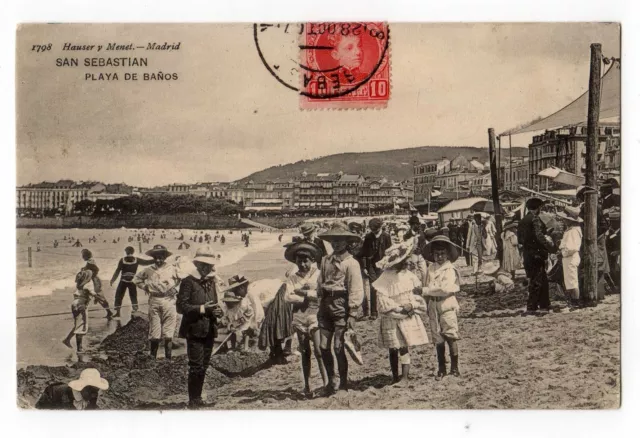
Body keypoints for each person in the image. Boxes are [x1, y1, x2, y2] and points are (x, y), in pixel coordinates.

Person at [316, 223, 364, 395]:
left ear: (346, 242)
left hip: (341, 304)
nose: (336, 244)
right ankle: (331, 382)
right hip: (326, 304)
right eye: (333, 240)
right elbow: (320, 282)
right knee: (323, 346)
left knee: (338, 346)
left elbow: (356, 288)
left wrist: (352, 312)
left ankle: (343, 383)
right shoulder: (325, 260)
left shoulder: (351, 263)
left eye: (340, 240)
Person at [373, 239, 429, 386]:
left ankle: (405, 376)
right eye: (402, 261)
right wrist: (398, 308)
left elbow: (417, 294)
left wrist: (411, 305)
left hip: (407, 314)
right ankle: (394, 375)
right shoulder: (385, 277)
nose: (406, 263)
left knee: (404, 346)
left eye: (405, 261)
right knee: (393, 347)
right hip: (392, 315)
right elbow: (382, 299)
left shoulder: (409, 276)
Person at [176, 246, 224, 407]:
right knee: (196, 365)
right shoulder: (188, 282)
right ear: (197, 264)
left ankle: (198, 398)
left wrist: (218, 312)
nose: (207, 268)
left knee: (204, 365)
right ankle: (193, 400)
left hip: (209, 328)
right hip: (194, 329)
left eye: (209, 265)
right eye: (204, 265)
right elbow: (181, 307)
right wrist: (203, 308)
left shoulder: (211, 282)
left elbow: (215, 304)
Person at [283, 240, 328, 395]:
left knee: (319, 350)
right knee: (305, 352)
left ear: (312, 260)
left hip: (315, 315)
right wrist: (305, 297)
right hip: (299, 317)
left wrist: (305, 293)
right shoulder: (292, 278)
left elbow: (322, 294)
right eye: (299, 261)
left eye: (305, 261)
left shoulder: (318, 275)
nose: (302, 264)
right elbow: (287, 297)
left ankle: (326, 383)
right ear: (295, 262)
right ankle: (307, 386)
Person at [416, 235, 462, 380]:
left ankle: (454, 368)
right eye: (436, 254)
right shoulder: (431, 268)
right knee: (437, 337)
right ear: (432, 255)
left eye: (442, 253)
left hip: (446, 303)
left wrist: (425, 290)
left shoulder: (450, 269)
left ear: (447, 254)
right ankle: (441, 368)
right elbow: (428, 284)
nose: (440, 256)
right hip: (433, 305)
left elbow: (444, 288)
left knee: (450, 335)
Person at [133, 244, 181, 359]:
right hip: (154, 300)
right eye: (156, 258)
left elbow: (183, 280)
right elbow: (136, 279)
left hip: (169, 300)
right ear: (153, 258)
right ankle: (152, 358)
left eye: (161, 257)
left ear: (165, 257)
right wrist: (145, 287)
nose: (158, 260)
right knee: (155, 331)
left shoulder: (173, 269)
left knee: (168, 332)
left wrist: (176, 289)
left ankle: (168, 359)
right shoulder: (148, 270)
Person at [518, 198, 554, 314]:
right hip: (537, 254)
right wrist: (550, 247)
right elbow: (539, 236)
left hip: (527, 254)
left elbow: (520, 239)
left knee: (541, 279)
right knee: (537, 280)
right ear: (538, 208)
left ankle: (544, 303)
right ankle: (532, 306)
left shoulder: (522, 221)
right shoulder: (535, 219)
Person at [110, 246, 154, 318]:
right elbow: (146, 262)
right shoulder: (136, 260)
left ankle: (117, 313)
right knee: (133, 296)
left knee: (118, 296)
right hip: (132, 281)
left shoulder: (122, 260)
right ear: (133, 252)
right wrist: (156, 259)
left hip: (123, 281)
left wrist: (113, 280)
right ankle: (135, 311)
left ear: (126, 252)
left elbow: (117, 271)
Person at [361, 218, 392, 320]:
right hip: (371, 266)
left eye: (376, 230)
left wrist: (388, 264)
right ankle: (374, 312)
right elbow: (364, 253)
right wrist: (365, 267)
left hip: (383, 265)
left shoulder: (386, 236)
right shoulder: (368, 237)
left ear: (380, 227)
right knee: (373, 287)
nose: (374, 232)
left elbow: (390, 251)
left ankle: (385, 308)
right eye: (372, 230)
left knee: (384, 288)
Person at [35, 368, 109, 410]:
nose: (94, 395)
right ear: (82, 387)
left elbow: (92, 408)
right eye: (91, 390)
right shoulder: (53, 392)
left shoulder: (91, 395)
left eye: (97, 390)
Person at [62, 268, 97, 352]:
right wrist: (98, 298)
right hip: (81, 304)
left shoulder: (80, 284)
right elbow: (92, 292)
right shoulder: (88, 285)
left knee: (78, 325)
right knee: (81, 327)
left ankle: (67, 340)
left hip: (75, 304)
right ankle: (79, 349)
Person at [227, 275, 264, 348]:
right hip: (245, 314)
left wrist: (256, 320)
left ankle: (249, 344)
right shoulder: (240, 296)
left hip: (253, 314)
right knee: (243, 328)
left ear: (242, 287)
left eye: (238, 289)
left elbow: (257, 307)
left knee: (250, 328)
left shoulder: (251, 294)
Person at [557, 207, 583, 308]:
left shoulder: (573, 231)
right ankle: (573, 301)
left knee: (572, 280)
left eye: (565, 219)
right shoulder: (571, 230)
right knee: (570, 280)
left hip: (570, 257)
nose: (563, 221)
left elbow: (572, 247)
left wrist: (562, 252)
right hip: (568, 257)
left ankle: (575, 303)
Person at [81, 249, 113, 319]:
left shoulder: (90, 262)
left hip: (94, 281)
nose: (82, 257)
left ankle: (109, 312)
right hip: (93, 280)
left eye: (83, 256)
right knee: (94, 296)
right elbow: (92, 269)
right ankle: (109, 312)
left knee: (98, 296)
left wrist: (91, 275)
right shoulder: (90, 261)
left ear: (86, 256)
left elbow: (96, 269)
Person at [403, 215, 428, 285]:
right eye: (416, 224)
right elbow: (406, 245)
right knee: (413, 273)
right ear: (412, 225)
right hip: (412, 254)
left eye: (418, 224)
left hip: (420, 254)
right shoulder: (407, 234)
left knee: (425, 272)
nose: (418, 226)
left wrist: (422, 251)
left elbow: (424, 243)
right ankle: (414, 288)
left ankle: (424, 287)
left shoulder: (421, 232)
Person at [605, 211, 621, 292]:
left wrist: (618, 251)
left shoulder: (621, 231)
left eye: (614, 221)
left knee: (617, 269)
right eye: (611, 221)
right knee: (610, 269)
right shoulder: (610, 230)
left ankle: (618, 285)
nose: (611, 223)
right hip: (610, 253)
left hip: (618, 253)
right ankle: (614, 286)